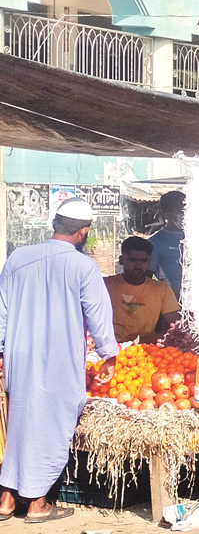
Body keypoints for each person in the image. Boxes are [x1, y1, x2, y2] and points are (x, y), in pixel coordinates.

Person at [0, 198, 118, 523]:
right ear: (84, 231)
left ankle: (6, 500)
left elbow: (2, 311)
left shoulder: (17, 257)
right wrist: (109, 354)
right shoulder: (83, 266)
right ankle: (38, 503)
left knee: (20, 423)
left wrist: (1, 351)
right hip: (59, 359)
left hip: (19, 358)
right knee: (51, 426)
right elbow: (98, 314)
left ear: (54, 223)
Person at [105, 236, 181, 345]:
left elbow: (177, 327)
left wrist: (143, 341)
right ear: (122, 260)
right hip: (110, 348)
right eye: (132, 260)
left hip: (146, 351)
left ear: (150, 262)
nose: (138, 265)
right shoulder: (106, 285)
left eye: (143, 261)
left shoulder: (162, 290)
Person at [149, 190, 185, 300]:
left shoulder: (198, 238)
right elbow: (146, 280)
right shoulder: (155, 243)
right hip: (170, 302)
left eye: (185, 209)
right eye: (179, 210)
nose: (183, 213)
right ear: (166, 214)